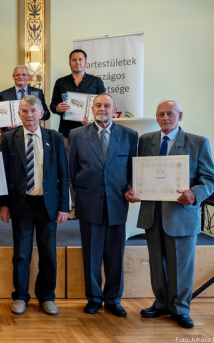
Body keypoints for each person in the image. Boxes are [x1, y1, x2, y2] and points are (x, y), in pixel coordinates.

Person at [128, 100, 214, 329]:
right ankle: (160, 303)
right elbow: (138, 173)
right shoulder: (146, 140)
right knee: (157, 263)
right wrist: (131, 188)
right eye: (161, 114)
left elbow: (209, 180)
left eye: (170, 114)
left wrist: (194, 194)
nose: (165, 118)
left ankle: (180, 309)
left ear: (180, 116)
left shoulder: (198, 142)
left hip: (181, 214)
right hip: (152, 213)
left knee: (181, 266)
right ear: (156, 117)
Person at [0, 95, 69, 316]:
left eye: (33, 111)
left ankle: (46, 297)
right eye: (24, 111)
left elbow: (63, 173)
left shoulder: (54, 137)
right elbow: (4, 173)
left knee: (48, 253)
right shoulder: (9, 138)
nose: (29, 115)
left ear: (41, 113)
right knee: (21, 253)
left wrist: (64, 206)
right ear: (19, 114)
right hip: (22, 203)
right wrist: (3, 204)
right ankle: (20, 296)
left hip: (48, 204)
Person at [68, 93, 137, 317]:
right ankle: (94, 298)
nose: (102, 109)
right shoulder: (77, 135)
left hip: (117, 202)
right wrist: (78, 199)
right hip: (89, 202)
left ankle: (113, 299)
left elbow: (133, 169)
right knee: (91, 254)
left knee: (115, 255)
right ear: (92, 109)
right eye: (98, 105)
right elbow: (72, 171)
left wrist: (131, 187)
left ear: (114, 110)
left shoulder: (129, 135)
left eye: (107, 105)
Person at [49, 49, 106, 218]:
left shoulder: (96, 82)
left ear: (85, 62)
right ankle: (74, 207)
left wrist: (92, 118)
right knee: (69, 172)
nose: (77, 62)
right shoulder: (61, 82)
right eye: (74, 60)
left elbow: (103, 105)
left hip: (90, 133)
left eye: (80, 59)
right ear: (70, 63)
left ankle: (89, 206)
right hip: (67, 134)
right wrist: (58, 108)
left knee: (88, 171)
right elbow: (52, 106)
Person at [0, 65, 50, 131]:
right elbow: (1, 118)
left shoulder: (38, 92)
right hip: (13, 133)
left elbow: (46, 115)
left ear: (28, 77)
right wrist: (6, 127)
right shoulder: (4, 94)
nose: (21, 77)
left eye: (24, 74)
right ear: (13, 77)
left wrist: (36, 112)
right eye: (17, 75)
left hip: (33, 131)